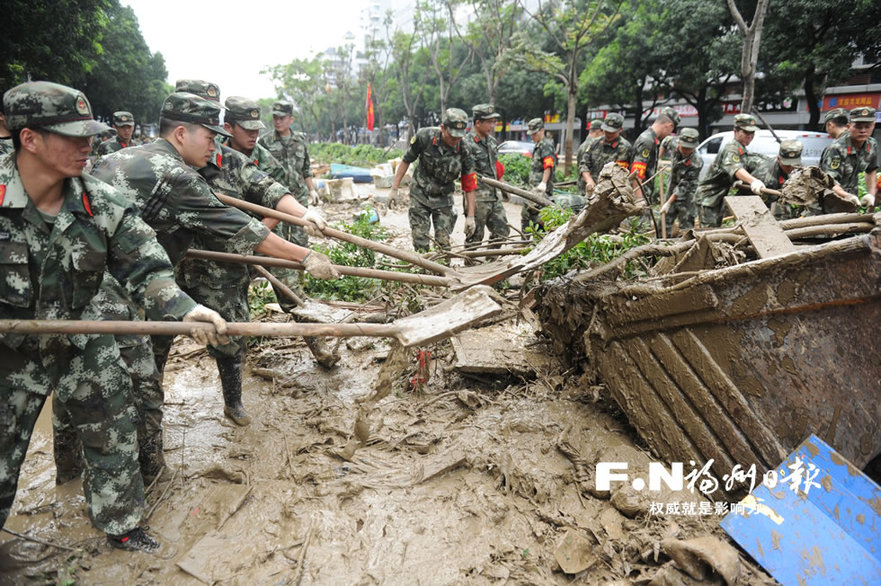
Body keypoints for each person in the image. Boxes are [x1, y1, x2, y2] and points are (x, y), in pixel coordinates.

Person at [0, 81, 228, 552]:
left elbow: (146, 268)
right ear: (30, 139)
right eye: (73, 135)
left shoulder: (99, 203)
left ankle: (122, 524)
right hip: (8, 348)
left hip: (84, 332)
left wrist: (188, 309)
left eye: (91, 134)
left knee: (113, 425)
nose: (89, 146)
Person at [92, 92, 339, 422]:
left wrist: (303, 214)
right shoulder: (176, 175)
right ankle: (149, 465)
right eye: (210, 137)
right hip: (142, 285)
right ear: (182, 133)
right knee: (144, 378)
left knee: (226, 337)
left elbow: (270, 192)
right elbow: (238, 226)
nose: (213, 147)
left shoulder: (121, 159)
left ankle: (231, 404)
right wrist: (306, 255)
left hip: (189, 271)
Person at [388, 108, 477, 252]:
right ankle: (423, 272)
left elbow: (469, 184)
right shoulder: (425, 136)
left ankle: (440, 272)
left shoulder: (465, 148)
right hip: (420, 195)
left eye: (459, 136)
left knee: (443, 243)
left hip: (444, 199)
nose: (455, 140)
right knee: (420, 239)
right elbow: (406, 160)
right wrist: (394, 189)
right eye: (452, 136)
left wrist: (471, 216)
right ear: (443, 128)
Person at [695, 113, 768, 227]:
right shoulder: (731, 148)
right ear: (736, 131)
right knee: (708, 233)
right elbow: (736, 169)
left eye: (752, 133)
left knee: (715, 231)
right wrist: (753, 181)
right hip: (708, 197)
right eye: (745, 132)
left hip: (718, 197)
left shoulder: (741, 149)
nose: (749, 136)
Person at [462, 104, 509, 248]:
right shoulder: (466, 143)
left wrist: (503, 186)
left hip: (493, 196)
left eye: (493, 122)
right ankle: (470, 266)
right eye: (489, 122)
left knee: (502, 231)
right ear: (478, 123)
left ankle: (490, 261)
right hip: (477, 198)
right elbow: (465, 174)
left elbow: (495, 166)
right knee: (475, 237)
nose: (492, 125)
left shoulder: (492, 142)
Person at [820, 106, 877, 209]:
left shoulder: (872, 145)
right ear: (848, 126)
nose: (863, 131)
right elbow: (830, 182)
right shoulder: (836, 148)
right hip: (829, 203)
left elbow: (871, 170)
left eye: (867, 126)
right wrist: (846, 196)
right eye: (858, 127)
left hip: (852, 202)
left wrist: (871, 194)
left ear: (873, 126)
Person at [630, 107, 680, 204]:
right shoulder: (647, 140)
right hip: (640, 197)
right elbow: (637, 174)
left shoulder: (652, 139)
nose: (669, 134)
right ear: (668, 126)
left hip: (645, 195)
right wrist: (639, 200)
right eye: (671, 130)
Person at [658, 128, 703, 234]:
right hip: (672, 188)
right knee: (663, 224)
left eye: (690, 148)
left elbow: (683, 187)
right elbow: (664, 142)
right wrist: (659, 158)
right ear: (679, 142)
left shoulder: (696, 162)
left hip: (687, 195)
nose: (686, 151)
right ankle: (661, 247)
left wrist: (668, 203)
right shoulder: (673, 142)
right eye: (684, 147)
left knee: (686, 227)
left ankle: (684, 248)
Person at [746, 139, 804, 218]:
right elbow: (758, 208)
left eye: (794, 163)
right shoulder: (767, 178)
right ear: (779, 159)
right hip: (752, 203)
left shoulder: (795, 168)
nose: (791, 168)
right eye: (787, 165)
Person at [580, 112, 632, 193]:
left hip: (612, 194)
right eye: (606, 130)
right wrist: (589, 180)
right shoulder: (595, 143)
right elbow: (584, 164)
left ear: (620, 130)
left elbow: (620, 175)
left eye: (612, 132)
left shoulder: (624, 147)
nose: (608, 134)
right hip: (590, 191)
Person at [523, 117, 556, 231]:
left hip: (540, 189)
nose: (532, 136)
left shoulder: (546, 145)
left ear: (542, 131)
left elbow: (548, 165)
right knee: (528, 212)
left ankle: (537, 239)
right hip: (534, 186)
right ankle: (526, 239)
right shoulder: (538, 145)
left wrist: (543, 183)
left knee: (538, 214)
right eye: (531, 134)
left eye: (534, 133)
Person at [575, 119, 603, 195]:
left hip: (582, 186)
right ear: (598, 131)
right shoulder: (594, 145)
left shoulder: (583, 145)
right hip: (591, 187)